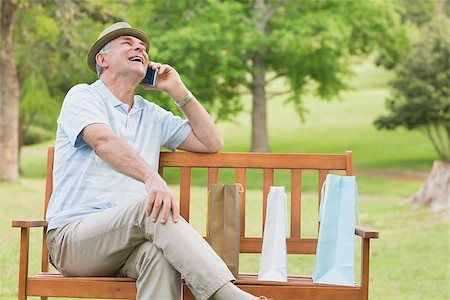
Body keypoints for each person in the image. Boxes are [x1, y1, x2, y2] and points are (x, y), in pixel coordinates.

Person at [45, 22, 266, 300]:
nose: (139, 48)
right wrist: (151, 178)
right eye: (127, 43)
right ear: (102, 60)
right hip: (73, 241)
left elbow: (211, 142)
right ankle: (228, 296)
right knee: (150, 208)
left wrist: (177, 90)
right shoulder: (83, 96)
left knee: (159, 256)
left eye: (143, 47)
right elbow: (103, 142)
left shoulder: (151, 114)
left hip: (128, 244)